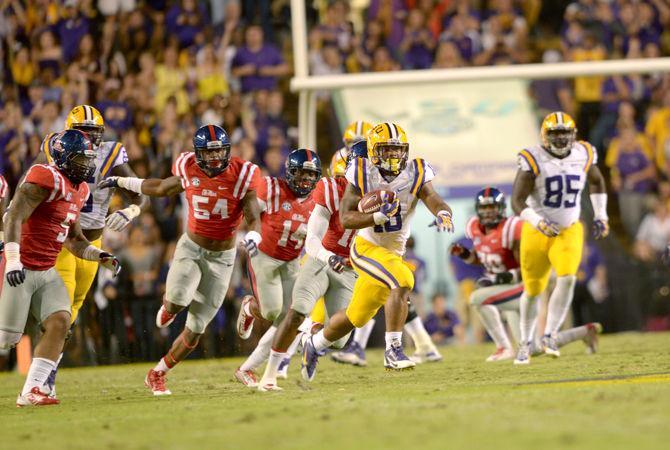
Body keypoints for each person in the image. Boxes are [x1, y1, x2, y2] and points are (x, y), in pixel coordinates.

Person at [99, 125, 262, 395]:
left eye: (218, 152)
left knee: (197, 328)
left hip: (223, 257)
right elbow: (161, 187)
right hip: (192, 248)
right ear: (197, 154)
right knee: (177, 299)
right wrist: (122, 182)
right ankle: (170, 306)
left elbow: (253, 214)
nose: (213, 159)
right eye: (208, 154)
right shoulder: (188, 166)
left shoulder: (243, 174)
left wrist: (254, 236)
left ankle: (158, 372)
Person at [301, 122, 455, 382]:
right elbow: (346, 218)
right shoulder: (361, 171)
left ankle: (314, 345)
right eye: (386, 150)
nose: (393, 156)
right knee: (404, 279)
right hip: (365, 248)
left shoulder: (415, 171)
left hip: (391, 254)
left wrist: (442, 213)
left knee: (355, 317)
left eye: (397, 151)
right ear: (373, 151)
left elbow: (432, 197)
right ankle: (394, 350)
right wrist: (376, 217)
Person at [0, 130, 121, 407]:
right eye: (81, 159)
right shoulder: (45, 176)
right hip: (20, 264)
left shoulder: (80, 189)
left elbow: (74, 239)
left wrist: (100, 255)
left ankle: (32, 390)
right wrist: (14, 259)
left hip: (46, 268)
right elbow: (14, 217)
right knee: (5, 341)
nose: (87, 166)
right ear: (64, 158)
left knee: (61, 322)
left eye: (90, 159)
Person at [32, 105, 145, 398]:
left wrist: (132, 209)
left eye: (94, 133)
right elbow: (30, 181)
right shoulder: (55, 147)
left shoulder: (111, 153)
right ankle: (39, 382)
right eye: (83, 132)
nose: (90, 139)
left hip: (92, 244)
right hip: (62, 241)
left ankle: (45, 377)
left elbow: (138, 190)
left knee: (73, 311)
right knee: (60, 313)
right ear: (69, 134)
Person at [451, 187, 602, 362]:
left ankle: (504, 347)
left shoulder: (513, 228)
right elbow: (483, 258)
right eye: (484, 208)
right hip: (505, 289)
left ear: (501, 208)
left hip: (520, 288)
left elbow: (527, 265)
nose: (488, 212)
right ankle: (585, 331)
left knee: (477, 298)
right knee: (534, 348)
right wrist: (465, 255)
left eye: (492, 207)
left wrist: (504, 277)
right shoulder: (474, 228)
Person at [257, 144, 358, 391]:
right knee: (298, 310)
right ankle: (269, 375)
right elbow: (312, 239)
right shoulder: (332, 189)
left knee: (339, 340)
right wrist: (328, 257)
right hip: (321, 260)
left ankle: (310, 340)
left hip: (348, 268)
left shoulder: (382, 194)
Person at [511, 111, 609, 364]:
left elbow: (597, 182)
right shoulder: (533, 158)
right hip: (536, 230)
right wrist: (538, 222)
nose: (561, 137)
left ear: (573, 134)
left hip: (568, 229)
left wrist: (601, 215)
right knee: (532, 290)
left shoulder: (583, 153)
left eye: (565, 132)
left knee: (567, 279)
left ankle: (551, 334)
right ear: (545, 136)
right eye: (555, 133)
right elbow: (517, 201)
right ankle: (525, 341)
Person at [233, 149, 321, 387]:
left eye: (311, 175)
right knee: (272, 312)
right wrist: (250, 234)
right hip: (264, 255)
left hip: (292, 261)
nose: (305, 180)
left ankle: (248, 369)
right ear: (290, 172)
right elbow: (249, 214)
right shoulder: (271, 187)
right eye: (301, 173)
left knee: (291, 318)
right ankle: (251, 307)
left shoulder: (318, 202)